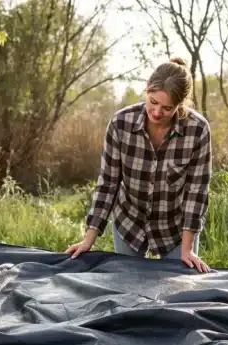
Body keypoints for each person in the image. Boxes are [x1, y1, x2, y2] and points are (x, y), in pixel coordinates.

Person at [65, 57, 212, 273]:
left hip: (175, 229)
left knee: (179, 292)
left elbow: (196, 192)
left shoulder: (197, 130)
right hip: (129, 223)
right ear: (146, 91)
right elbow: (108, 184)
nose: (157, 112)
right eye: (153, 102)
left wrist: (187, 249)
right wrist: (89, 239)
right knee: (127, 290)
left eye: (167, 107)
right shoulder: (121, 124)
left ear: (180, 105)